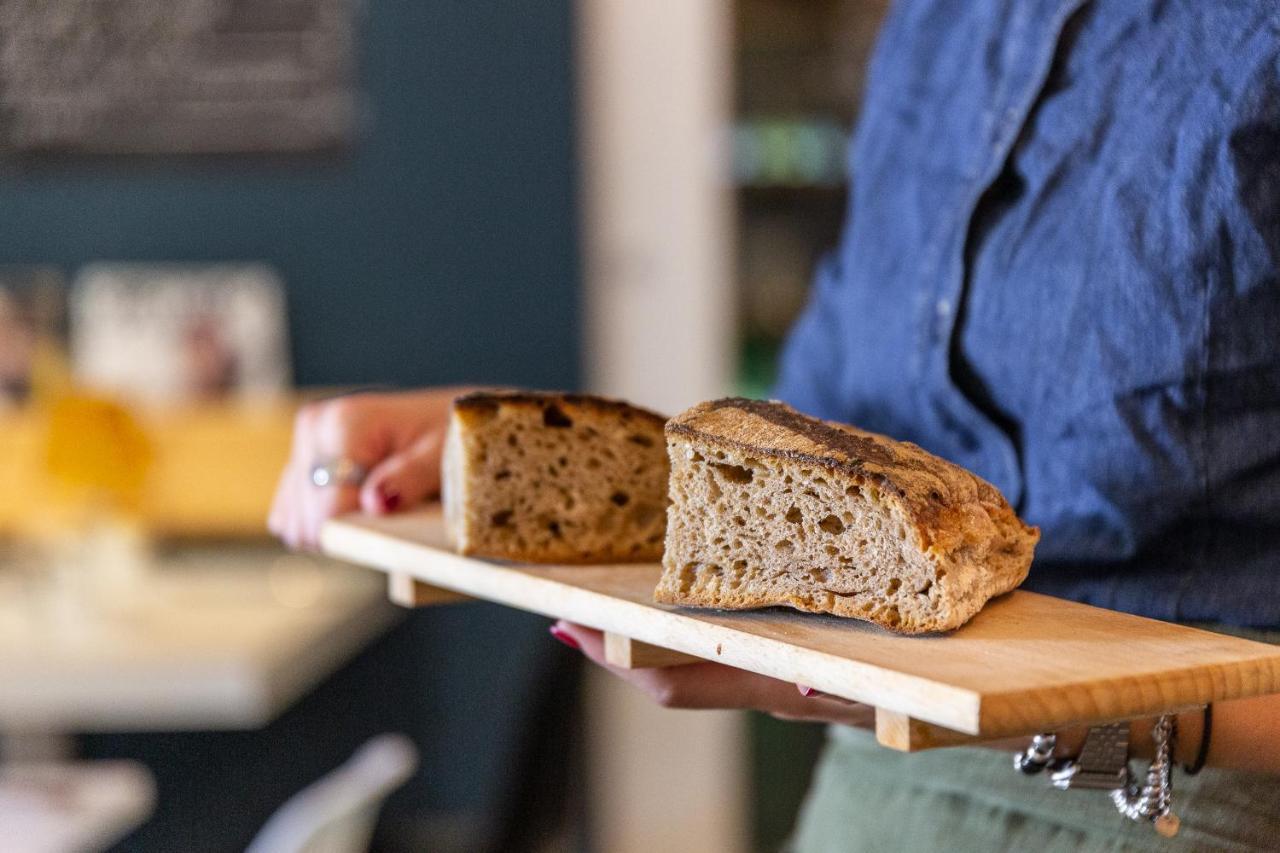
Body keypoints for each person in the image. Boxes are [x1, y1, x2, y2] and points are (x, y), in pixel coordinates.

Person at [271, 0, 1280, 848]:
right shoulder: (941, 21)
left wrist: (1085, 719)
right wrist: (537, 447)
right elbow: (874, 466)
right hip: (867, 798)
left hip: (1187, 814)